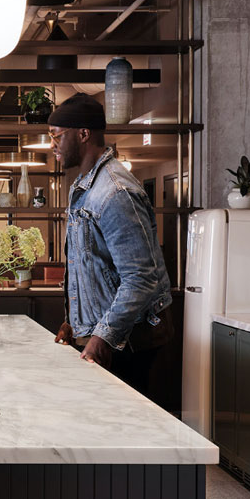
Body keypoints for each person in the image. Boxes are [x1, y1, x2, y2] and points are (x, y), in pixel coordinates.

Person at [48, 92, 174, 401]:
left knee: (125, 437)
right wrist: (74, 323)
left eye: (57, 136)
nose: (52, 145)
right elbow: (92, 264)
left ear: (83, 134)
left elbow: (141, 279)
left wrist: (102, 335)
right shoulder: (86, 186)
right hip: (109, 334)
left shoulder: (115, 192)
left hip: (129, 341)